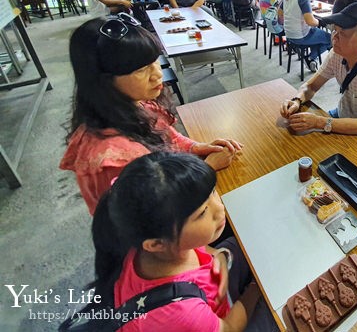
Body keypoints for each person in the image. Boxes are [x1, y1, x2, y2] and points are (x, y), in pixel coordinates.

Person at [71, 152, 275, 331]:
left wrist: (217, 256)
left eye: (212, 192)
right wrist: (258, 286)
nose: (220, 207)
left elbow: (202, 248)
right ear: (156, 244)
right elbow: (229, 328)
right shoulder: (182, 313)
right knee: (279, 310)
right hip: (217, 321)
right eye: (203, 212)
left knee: (244, 242)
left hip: (209, 294)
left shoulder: (151, 242)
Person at [60, 16, 242, 214]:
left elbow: (170, 138)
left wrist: (197, 147)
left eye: (155, 61)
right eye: (141, 69)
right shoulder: (115, 158)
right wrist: (207, 168)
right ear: (103, 81)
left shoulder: (133, 103)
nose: (157, 74)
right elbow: (155, 210)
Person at [280, 3, 357, 153]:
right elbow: (311, 87)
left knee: (354, 166)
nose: (334, 37)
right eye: (334, 30)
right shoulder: (336, 54)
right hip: (345, 112)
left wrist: (319, 122)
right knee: (304, 143)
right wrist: (296, 100)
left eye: (342, 33)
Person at [283, 0, 331, 70]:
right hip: (301, 36)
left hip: (288, 34)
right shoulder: (303, 0)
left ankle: (312, 60)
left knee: (318, 35)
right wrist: (320, 22)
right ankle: (311, 57)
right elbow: (310, 22)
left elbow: (280, 13)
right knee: (331, 39)